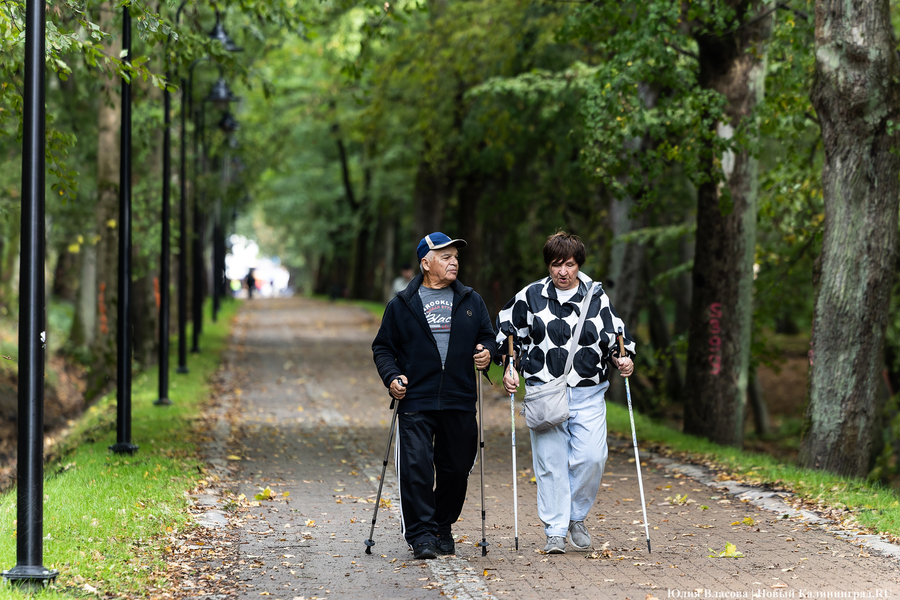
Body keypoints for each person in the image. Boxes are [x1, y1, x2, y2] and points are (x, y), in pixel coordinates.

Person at [496, 230, 635, 555]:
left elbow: (616, 337)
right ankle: (555, 530)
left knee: (592, 457)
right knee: (550, 463)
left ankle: (575, 517)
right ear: (548, 265)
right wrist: (509, 366)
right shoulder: (530, 296)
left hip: (588, 393)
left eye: (569, 264)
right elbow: (509, 334)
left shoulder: (596, 297)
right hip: (545, 393)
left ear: (578, 265)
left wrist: (623, 359)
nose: (562, 271)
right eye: (556, 264)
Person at [372, 232, 497, 560]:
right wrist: (392, 376)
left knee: (457, 467)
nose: (453, 261)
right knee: (417, 467)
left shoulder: (472, 300)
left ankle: (443, 525)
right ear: (425, 263)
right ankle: (421, 533)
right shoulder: (402, 304)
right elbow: (383, 347)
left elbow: (488, 336)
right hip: (416, 397)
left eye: (455, 256)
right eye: (445, 256)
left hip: (459, 396)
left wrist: (487, 353)